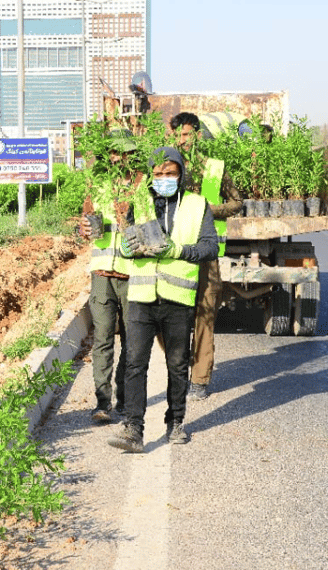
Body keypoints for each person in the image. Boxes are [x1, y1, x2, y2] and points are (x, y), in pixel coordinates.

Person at [107, 147, 219, 452]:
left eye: (170, 173)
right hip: (142, 296)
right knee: (134, 364)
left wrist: (178, 251)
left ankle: (176, 422)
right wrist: (127, 250)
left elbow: (211, 247)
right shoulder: (140, 203)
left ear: (181, 175)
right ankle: (134, 429)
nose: (164, 179)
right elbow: (125, 243)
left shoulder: (197, 205)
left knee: (177, 364)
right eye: (158, 174)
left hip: (178, 298)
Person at [169, 111, 247, 400]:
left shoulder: (214, 168)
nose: (182, 140)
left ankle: (199, 379)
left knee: (205, 315)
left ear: (197, 135)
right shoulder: (168, 168)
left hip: (206, 254)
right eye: (177, 135)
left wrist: (210, 210)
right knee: (170, 317)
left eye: (186, 134)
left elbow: (237, 202)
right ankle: (180, 365)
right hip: (175, 253)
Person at [79, 130, 143, 422]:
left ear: (132, 155)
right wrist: (83, 228)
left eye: (125, 153)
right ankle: (102, 402)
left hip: (133, 273)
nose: (120, 159)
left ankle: (125, 398)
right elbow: (85, 220)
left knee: (132, 340)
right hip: (102, 273)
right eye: (115, 154)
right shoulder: (100, 184)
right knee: (103, 337)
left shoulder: (143, 185)